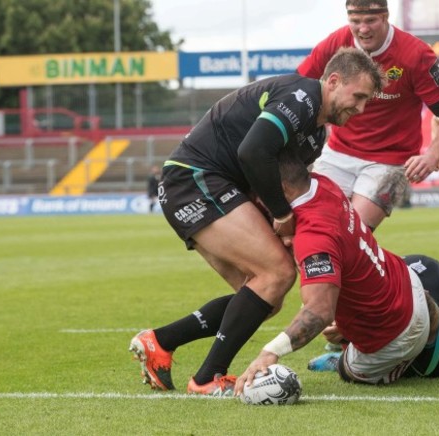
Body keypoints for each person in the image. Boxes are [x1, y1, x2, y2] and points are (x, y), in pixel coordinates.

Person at [128, 47, 387, 395]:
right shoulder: (302, 97)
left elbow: (276, 179)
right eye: (358, 97)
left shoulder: (316, 135)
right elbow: (252, 152)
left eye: (367, 101)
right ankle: (207, 378)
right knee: (276, 273)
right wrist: (280, 216)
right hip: (195, 180)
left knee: (263, 297)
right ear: (334, 81)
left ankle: (160, 341)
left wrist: (284, 222)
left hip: (214, 187)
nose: (361, 108)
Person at [234, 151, 439, 393]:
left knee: (349, 368)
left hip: (394, 335)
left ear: (283, 189)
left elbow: (319, 311)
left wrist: (270, 352)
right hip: (409, 286)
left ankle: (355, 361)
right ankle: (427, 333)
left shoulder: (313, 237)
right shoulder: (323, 185)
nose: (260, 201)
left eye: (262, 194)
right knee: (341, 305)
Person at [296, 0, 439, 231]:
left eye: (370, 20)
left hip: (391, 162)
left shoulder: (415, 55)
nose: (363, 29)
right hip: (338, 153)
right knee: (315, 226)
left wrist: (433, 155)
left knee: (353, 233)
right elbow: (298, 87)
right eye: (355, 21)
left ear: (385, 16)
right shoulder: (336, 43)